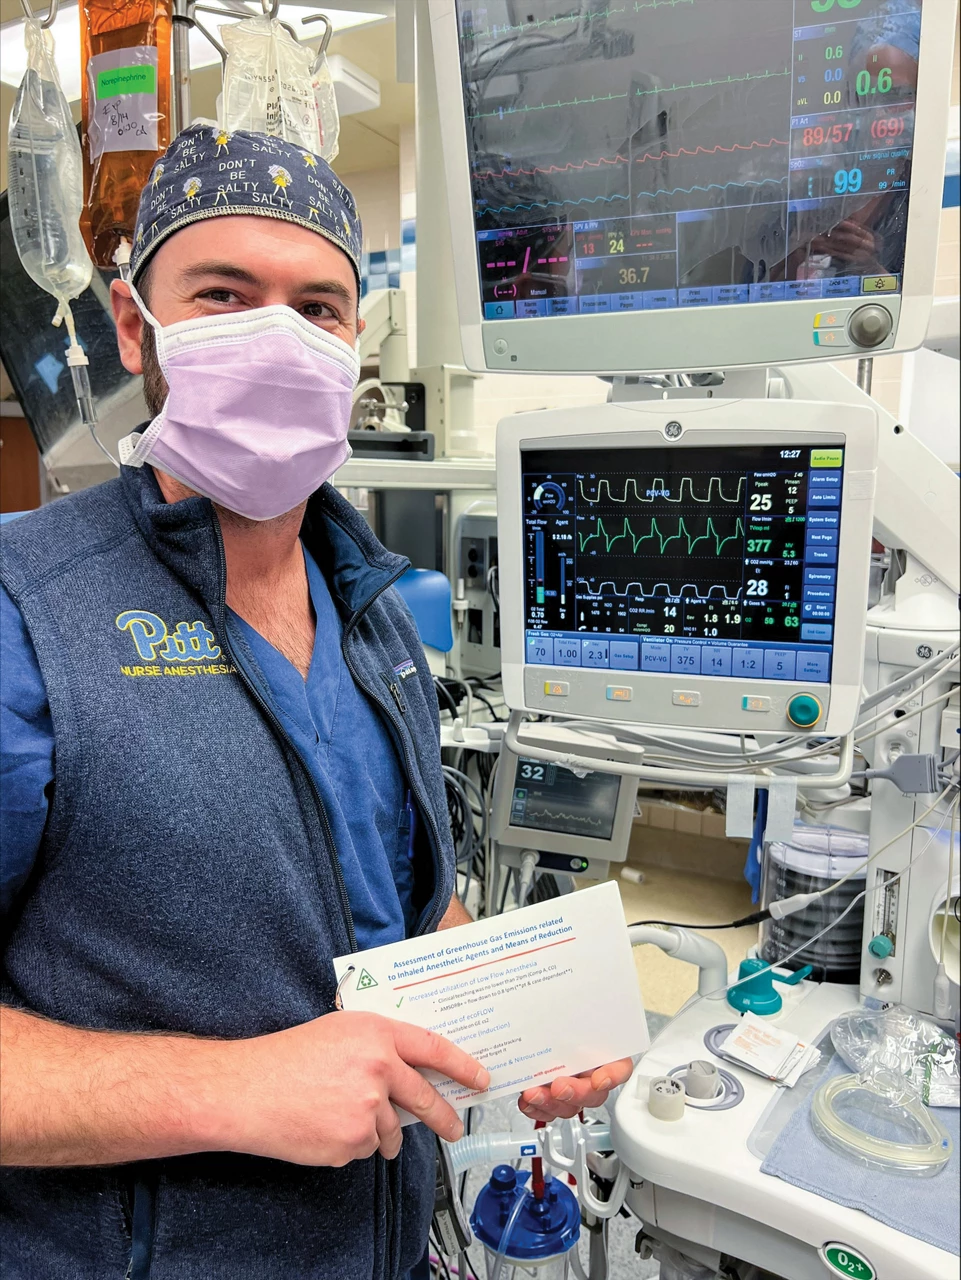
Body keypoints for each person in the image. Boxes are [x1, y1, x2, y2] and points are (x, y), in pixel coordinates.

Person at [0, 126, 632, 1279]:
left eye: (319, 307)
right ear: (138, 327)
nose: (280, 337)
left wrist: (529, 1010)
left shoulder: (377, 614)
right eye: (226, 293)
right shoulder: (24, 612)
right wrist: (225, 1086)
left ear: (353, 344)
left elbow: (388, 909)